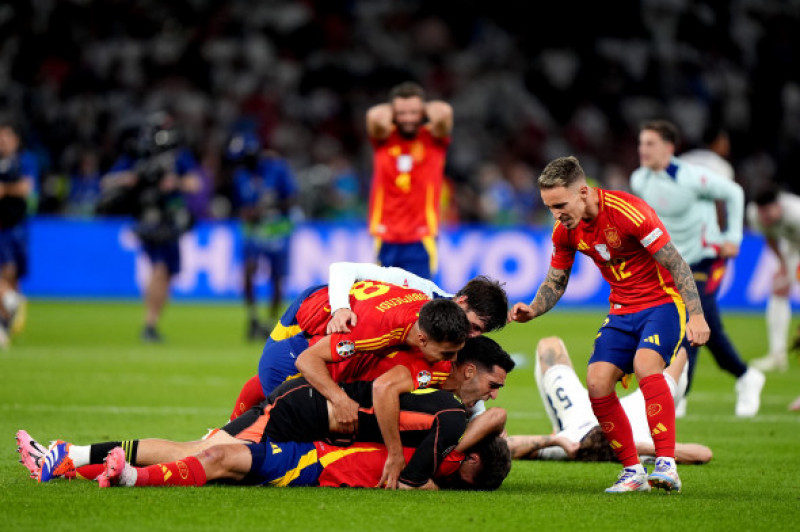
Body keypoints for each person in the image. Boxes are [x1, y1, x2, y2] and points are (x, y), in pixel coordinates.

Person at [23, 336, 514, 490]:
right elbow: (495, 419)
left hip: (306, 413)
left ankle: (70, 458)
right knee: (205, 451)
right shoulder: (443, 401)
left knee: (204, 450)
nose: (491, 397)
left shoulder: (433, 379)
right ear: (468, 369)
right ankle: (82, 460)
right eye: (491, 384)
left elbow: (491, 419)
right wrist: (396, 449)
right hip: (299, 412)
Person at [509, 155, 710, 493]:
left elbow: (676, 263)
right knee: (597, 382)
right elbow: (556, 281)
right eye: (549, 207)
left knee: (646, 365)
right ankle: (632, 472)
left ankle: (666, 465)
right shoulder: (565, 231)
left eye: (560, 204)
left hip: (661, 303)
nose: (555, 214)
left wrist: (698, 315)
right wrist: (533, 309)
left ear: (583, 192)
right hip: (621, 309)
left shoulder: (629, 212)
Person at [229, 272, 508, 420]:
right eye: (474, 328)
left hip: (338, 330)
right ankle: (232, 438)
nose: (472, 338)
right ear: (460, 304)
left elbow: (457, 372)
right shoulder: (394, 318)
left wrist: (474, 414)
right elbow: (344, 269)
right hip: (310, 316)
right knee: (293, 407)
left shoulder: (432, 317)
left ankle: (230, 430)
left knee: (342, 378)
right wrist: (340, 307)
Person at [630, 119, 765, 418]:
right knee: (703, 326)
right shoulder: (640, 180)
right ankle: (746, 376)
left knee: (695, 316)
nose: (643, 149)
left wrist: (733, 236)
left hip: (705, 257)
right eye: (641, 143)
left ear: (668, 147)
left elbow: (734, 193)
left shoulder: (693, 177)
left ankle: (679, 392)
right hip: (672, 265)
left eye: (650, 143)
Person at [507, 337, 713, 465]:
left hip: (577, 417)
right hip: (637, 414)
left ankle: (557, 427)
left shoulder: (571, 442)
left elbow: (506, 446)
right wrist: (645, 448)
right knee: (678, 354)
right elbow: (703, 454)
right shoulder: (639, 444)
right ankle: (671, 407)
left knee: (549, 345)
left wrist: (554, 439)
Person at [98, 111, 203, 343]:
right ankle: (149, 323)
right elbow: (107, 181)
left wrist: (174, 182)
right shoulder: (139, 153)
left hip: (172, 218)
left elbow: (195, 183)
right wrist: (136, 177)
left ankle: (152, 323)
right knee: (160, 267)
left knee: (168, 273)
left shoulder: (178, 155)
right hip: (149, 216)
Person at [366, 81, 453, 279]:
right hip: (385, 233)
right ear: (393, 114)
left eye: (414, 112)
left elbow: (444, 112)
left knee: (420, 298)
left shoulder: (433, 139)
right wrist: (396, 109)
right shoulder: (384, 138)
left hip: (421, 235)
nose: (408, 118)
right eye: (402, 113)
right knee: (384, 296)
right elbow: (374, 116)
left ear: (422, 112)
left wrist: (420, 108)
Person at [227, 129, 300, 340]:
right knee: (248, 270)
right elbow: (238, 204)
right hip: (253, 228)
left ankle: (271, 321)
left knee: (276, 276)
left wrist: (271, 206)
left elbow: (293, 198)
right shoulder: (240, 175)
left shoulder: (277, 168)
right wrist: (246, 212)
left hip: (278, 227)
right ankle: (252, 318)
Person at [747, 185, 800, 377]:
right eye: (762, 213)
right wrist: (783, 264)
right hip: (791, 246)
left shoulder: (796, 212)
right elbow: (769, 237)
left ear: (779, 206)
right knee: (778, 289)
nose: (765, 217)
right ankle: (777, 355)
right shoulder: (755, 214)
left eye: (768, 212)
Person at [0, 119, 37, 349]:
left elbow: (26, 188)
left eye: (5, 137)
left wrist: (5, 190)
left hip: (16, 225)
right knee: (5, 271)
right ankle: (8, 302)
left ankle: (6, 320)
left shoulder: (25, 161)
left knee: (13, 273)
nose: (2, 142)